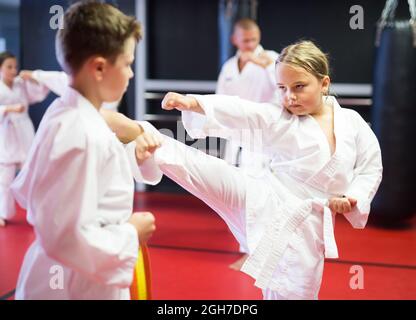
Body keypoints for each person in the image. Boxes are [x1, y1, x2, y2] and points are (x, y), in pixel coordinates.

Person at [104, 40, 383, 300]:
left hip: (307, 225)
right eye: (282, 88)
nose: (289, 97)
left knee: (293, 290)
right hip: (262, 196)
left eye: (299, 86)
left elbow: (371, 166)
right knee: (203, 169)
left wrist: (353, 197)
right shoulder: (281, 119)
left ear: (324, 84)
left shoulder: (352, 122)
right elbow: (245, 111)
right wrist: (195, 103)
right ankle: (142, 133)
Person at [10, 1, 157, 299]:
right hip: (75, 284)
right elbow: (64, 236)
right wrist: (130, 234)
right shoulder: (82, 131)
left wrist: (126, 158)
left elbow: (33, 190)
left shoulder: (63, 113)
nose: (130, 73)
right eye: (127, 63)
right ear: (100, 67)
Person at [216, 18, 279, 270]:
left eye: (254, 39)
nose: (251, 45)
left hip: (261, 137)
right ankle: (250, 246)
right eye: (246, 41)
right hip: (235, 137)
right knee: (237, 194)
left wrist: (268, 67)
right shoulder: (229, 66)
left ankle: (253, 253)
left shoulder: (273, 59)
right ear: (235, 40)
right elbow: (220, 99)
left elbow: (284, 93)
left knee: (255, 194)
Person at [0, 51, 51, 227]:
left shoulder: (21, 84)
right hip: (6, 134)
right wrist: (9, 109)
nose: (13, 70)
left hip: (24, 132)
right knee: (4, 179)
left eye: (15, 66)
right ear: (0, 68)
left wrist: (33, 78)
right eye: (9, 67)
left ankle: (35, 214)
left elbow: (38, 94)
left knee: (32, 175)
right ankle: (2, 213)